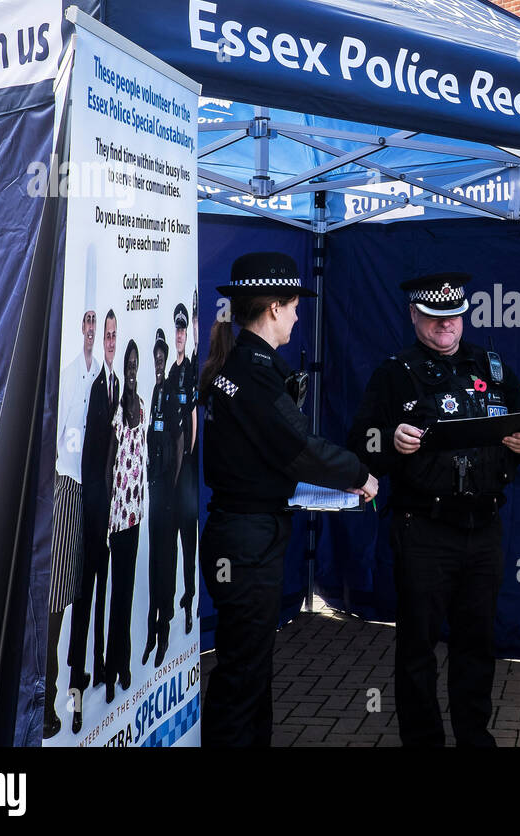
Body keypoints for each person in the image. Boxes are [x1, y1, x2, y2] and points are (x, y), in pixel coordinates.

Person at [348, 272, 520, 747]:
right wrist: (391, 442)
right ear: (415, 316)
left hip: (483, 530)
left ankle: (474, 737)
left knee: (476, 645)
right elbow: (361, 446)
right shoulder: (395, 373)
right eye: (434, 318)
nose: (445, 327)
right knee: (418, 648)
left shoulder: (491, 365)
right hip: (424, 531)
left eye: (453, 316)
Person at [200, 252, 376, 748]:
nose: (299, 316)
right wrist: (360, 473)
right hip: (246, 539)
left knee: (249, 667)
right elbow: (299, 447)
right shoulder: (254, 371)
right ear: (274, 307)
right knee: (243, 673)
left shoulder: (239, 363)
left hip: (242, 534)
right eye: (295, 306)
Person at [46, 249, 100, 738]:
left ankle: (73, 687)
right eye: (85, 321)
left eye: (95, 322)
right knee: (57, 598)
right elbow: (62, 439)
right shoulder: (69, 373)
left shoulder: (101, 376)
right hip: (67, 488)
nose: (90, 330)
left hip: (90, 495)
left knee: (78, 593)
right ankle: (46, 698)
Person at [68, 307, 118, 732]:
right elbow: (81, 453)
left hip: (106, 515)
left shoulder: (115, 383)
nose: (108, 341)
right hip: (87, 511)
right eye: (104, 334)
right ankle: (74, 689)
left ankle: (98, 666)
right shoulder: (90, 385)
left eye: (112, 336)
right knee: (84, 597)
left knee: (101, 592)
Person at [105, 337, 146, 704]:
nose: (131, 370)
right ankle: (113, 663)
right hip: (116, 518)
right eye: (128, 365)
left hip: (136, 516)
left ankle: (122, 660)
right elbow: (109, 464)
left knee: (128, 591)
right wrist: (105, 514)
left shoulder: (143, 407)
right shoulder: (118, 413)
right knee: (116, 591)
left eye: (135, 364)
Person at [143, 328, 179, 668]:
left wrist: (174, 480)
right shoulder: (153, 390)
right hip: (153, 488)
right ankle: (152, 627)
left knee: (167, 560)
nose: (158, 363)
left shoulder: (169, 391)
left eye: (161, 358)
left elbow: (178, 438)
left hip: (169, 489)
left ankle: (165, 625)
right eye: (154, 358)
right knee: (153, 559)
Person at [177, 290, 200, 633]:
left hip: (190, 471)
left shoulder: (196, 365)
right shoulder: (167, 375)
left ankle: (191, 595)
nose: (183, 334)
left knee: (189, 540)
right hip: (172, 472)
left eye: (187, 326)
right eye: (179, 328)